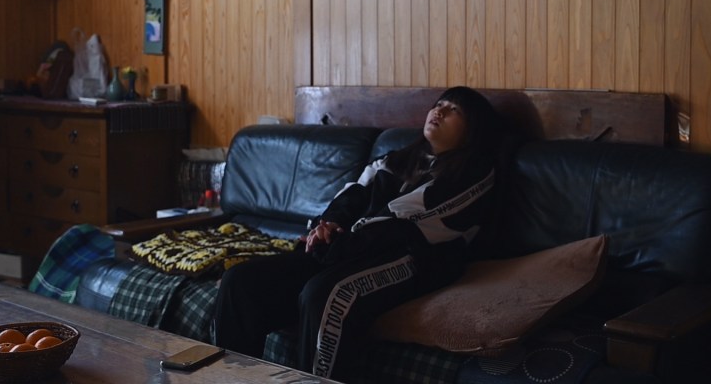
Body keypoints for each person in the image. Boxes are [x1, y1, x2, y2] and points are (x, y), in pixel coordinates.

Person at [212, 86, 502, 380]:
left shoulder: (475, 172)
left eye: (453, 109)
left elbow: (406, 218)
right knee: (241, 281)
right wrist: (327, 226)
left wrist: (340, 242)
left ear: (472, 129)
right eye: (439, 104)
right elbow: (353, 194)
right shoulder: (395, 159)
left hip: (415, 258)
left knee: (326, 295)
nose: (439, 111)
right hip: (352, 247)